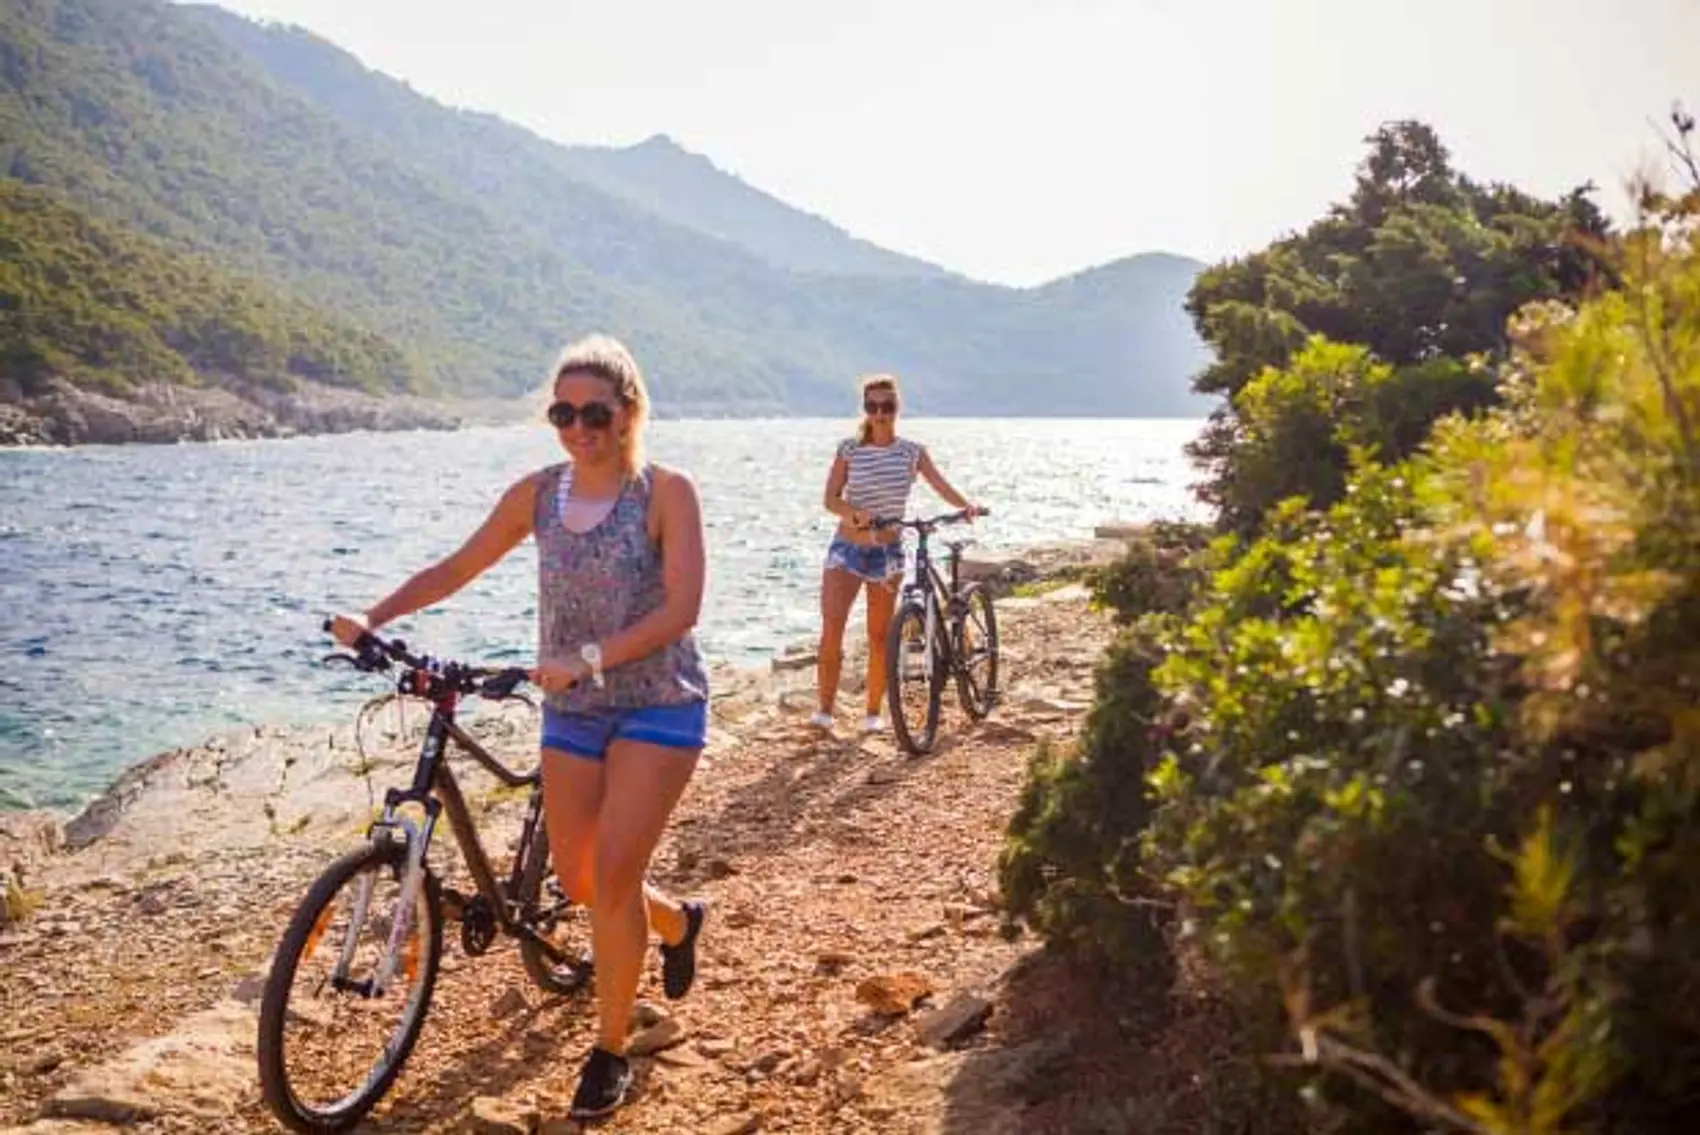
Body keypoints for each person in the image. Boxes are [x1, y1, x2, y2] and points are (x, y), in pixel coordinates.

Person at [328, 334, 708, 1121]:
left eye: (593, 412)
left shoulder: (667, 492)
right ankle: (675, 921)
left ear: (628, 410)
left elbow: (681, 610)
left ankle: (610, 1048)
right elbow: (457, 568)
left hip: (657, 703)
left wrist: (591, 655)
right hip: (573, 709)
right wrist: (374, 615)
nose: (577, 426)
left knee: (611, 869)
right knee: (578, 881)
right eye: (562, 412)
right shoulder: (537, 494)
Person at [815, 373, 979, 733]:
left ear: (897, 408)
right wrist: (852, 514)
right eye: (872, 406)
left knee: (879, 636)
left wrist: (966, 507)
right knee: (832, 629)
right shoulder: (849, 450)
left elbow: (940, 485)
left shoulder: (911, 452)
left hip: (887, 553)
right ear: (864, 409)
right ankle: (824, 711)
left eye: (887, 406)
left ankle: (872, 713)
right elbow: (830, 498)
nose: (879, 413)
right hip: (847, 549)